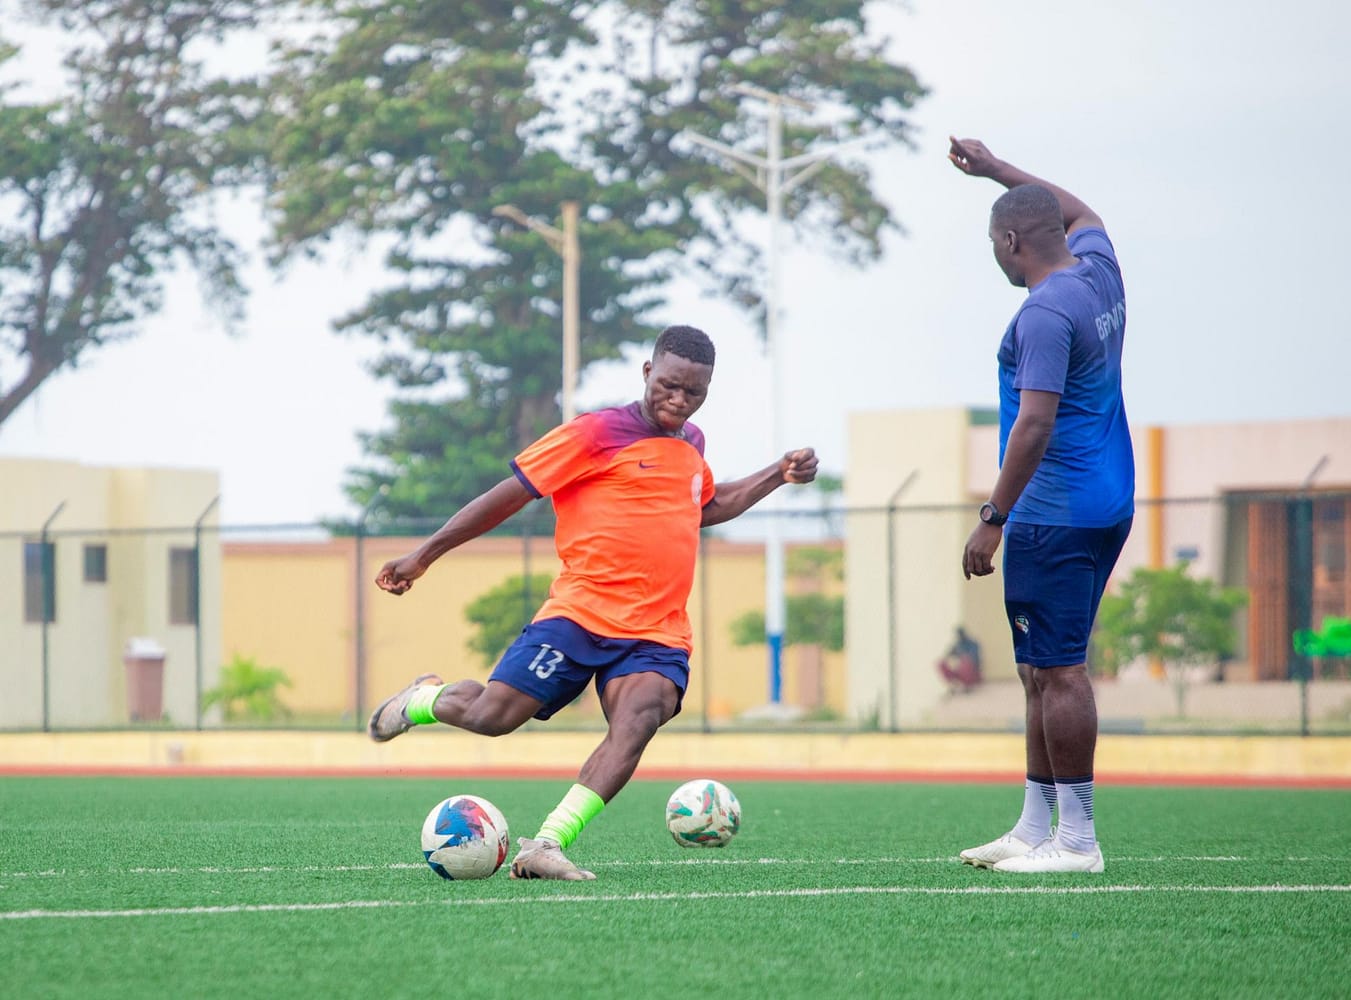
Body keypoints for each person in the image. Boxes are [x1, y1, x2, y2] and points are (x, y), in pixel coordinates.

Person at [366, 324, 818, 880]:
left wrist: (778, 473)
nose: (680, 400)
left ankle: (546, 844)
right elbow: (506, 497)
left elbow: (706, 504)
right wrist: (424, 555)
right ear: (647, 372)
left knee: (640, 718)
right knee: (491, 717)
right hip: (578, 616)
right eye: (670, 385)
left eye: (694, 392)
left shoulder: (691, 444)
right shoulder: (595, 432)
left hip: (656, 630)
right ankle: (424, 698)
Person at [948, 137, 1134, 874]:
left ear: (1009, 242)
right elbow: (1083, 210)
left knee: (1059, 672)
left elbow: (1033, 423)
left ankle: (1078, 841)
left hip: (1053, 514)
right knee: (1038, 670)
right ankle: (1033, 827)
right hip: (1105, 502)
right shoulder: (1097, 271)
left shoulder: (1044, 314)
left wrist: (991, 520)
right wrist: (996, 170)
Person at [938, 626, 983, 693]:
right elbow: (948, 654)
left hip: (973, 672)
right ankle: (953, 685)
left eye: (961, 634)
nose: (959, 636)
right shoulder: (957, 645)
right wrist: (948, 658)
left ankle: (968, 685)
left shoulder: (972, 643)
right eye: (958, 634)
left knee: (965, 660)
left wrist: (963, 657)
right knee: (941, 663)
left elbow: (974, 658)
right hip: (960, 671)